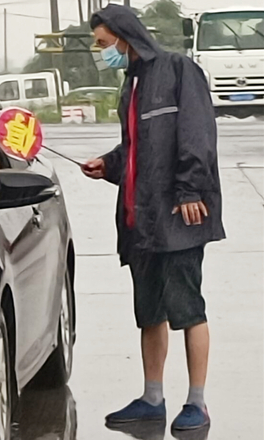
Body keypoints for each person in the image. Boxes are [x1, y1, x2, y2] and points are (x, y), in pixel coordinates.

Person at [81, 4, 226, 433]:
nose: (102, 51)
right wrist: (108, 164)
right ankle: (152, 398)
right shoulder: (132, 84)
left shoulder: (179, 71)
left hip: (179, 216)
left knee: (187, 309)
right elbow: (136, 148)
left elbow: (198, 135)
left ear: (125, 36)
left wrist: (190, 189)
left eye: (104, 43)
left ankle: (196, 402)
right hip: (140, 222)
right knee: (149, 312)